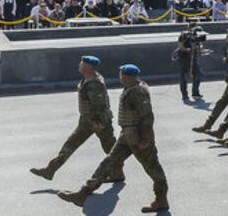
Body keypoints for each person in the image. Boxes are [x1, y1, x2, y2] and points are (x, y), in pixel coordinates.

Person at [57, 64, 169, 213]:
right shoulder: (131, 88)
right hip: (127, 136)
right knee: (108, 162)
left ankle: (161, 200)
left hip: (139, 139)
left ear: (128, 76)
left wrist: (145, 140)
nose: (120, 76)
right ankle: (83, 193)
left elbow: (147, 117)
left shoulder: (138, 92)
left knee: (154, 170)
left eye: (121, 74)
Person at [31, 55, 120, 182]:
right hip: (87, 121)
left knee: (110, 149)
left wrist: (97, 123)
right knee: (70, 144)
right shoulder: (88, 79)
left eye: (82, 63)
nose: (79, 65)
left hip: (99, 122)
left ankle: (117, 173)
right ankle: (50, 170)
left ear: (88, 67)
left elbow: (98, 106)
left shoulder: (94, 83)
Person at [176, 24, 203, 101]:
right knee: (184, 76)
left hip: (193, 58)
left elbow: (200, 44)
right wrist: (188, 50)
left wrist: (199, 49)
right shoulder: (184, 35)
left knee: (198, 74)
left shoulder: (197, 35)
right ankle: (184, 94)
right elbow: (180, 46)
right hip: (184, 57)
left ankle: (195, 93)